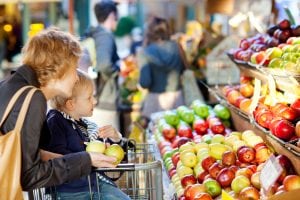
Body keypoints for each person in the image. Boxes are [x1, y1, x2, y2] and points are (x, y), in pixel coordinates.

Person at [0, 28, 117, 191]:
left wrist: (76, 159)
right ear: (58, 67)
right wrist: (86, 160)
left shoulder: (11, 84)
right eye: (74, 68)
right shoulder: (33, 98)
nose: (77, 77)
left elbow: (20, 152)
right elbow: (29, 176)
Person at [45, 71, 130, 199]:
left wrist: (116, 139)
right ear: (71, 104)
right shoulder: (55, 122)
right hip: (71, 192)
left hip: (94, 185)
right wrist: (88, 157)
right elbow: (58, 159)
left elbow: (111, 161)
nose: (95, 101)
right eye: (90, 97)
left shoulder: (86, 126)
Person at [139, 16, 185, 119]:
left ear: (150, 31)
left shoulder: (145, 52)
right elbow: (183, 70)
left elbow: (145, 82)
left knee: (156, 132)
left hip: (155, 101)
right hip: (177, 99)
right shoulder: (177, 47)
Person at [86, 0, 120, 130]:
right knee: (110, 143)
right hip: (105, 99)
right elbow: (105, 65)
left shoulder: (94, 33)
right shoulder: (105, 36)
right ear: (112, 15)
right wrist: (117, 68)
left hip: (97, 98)